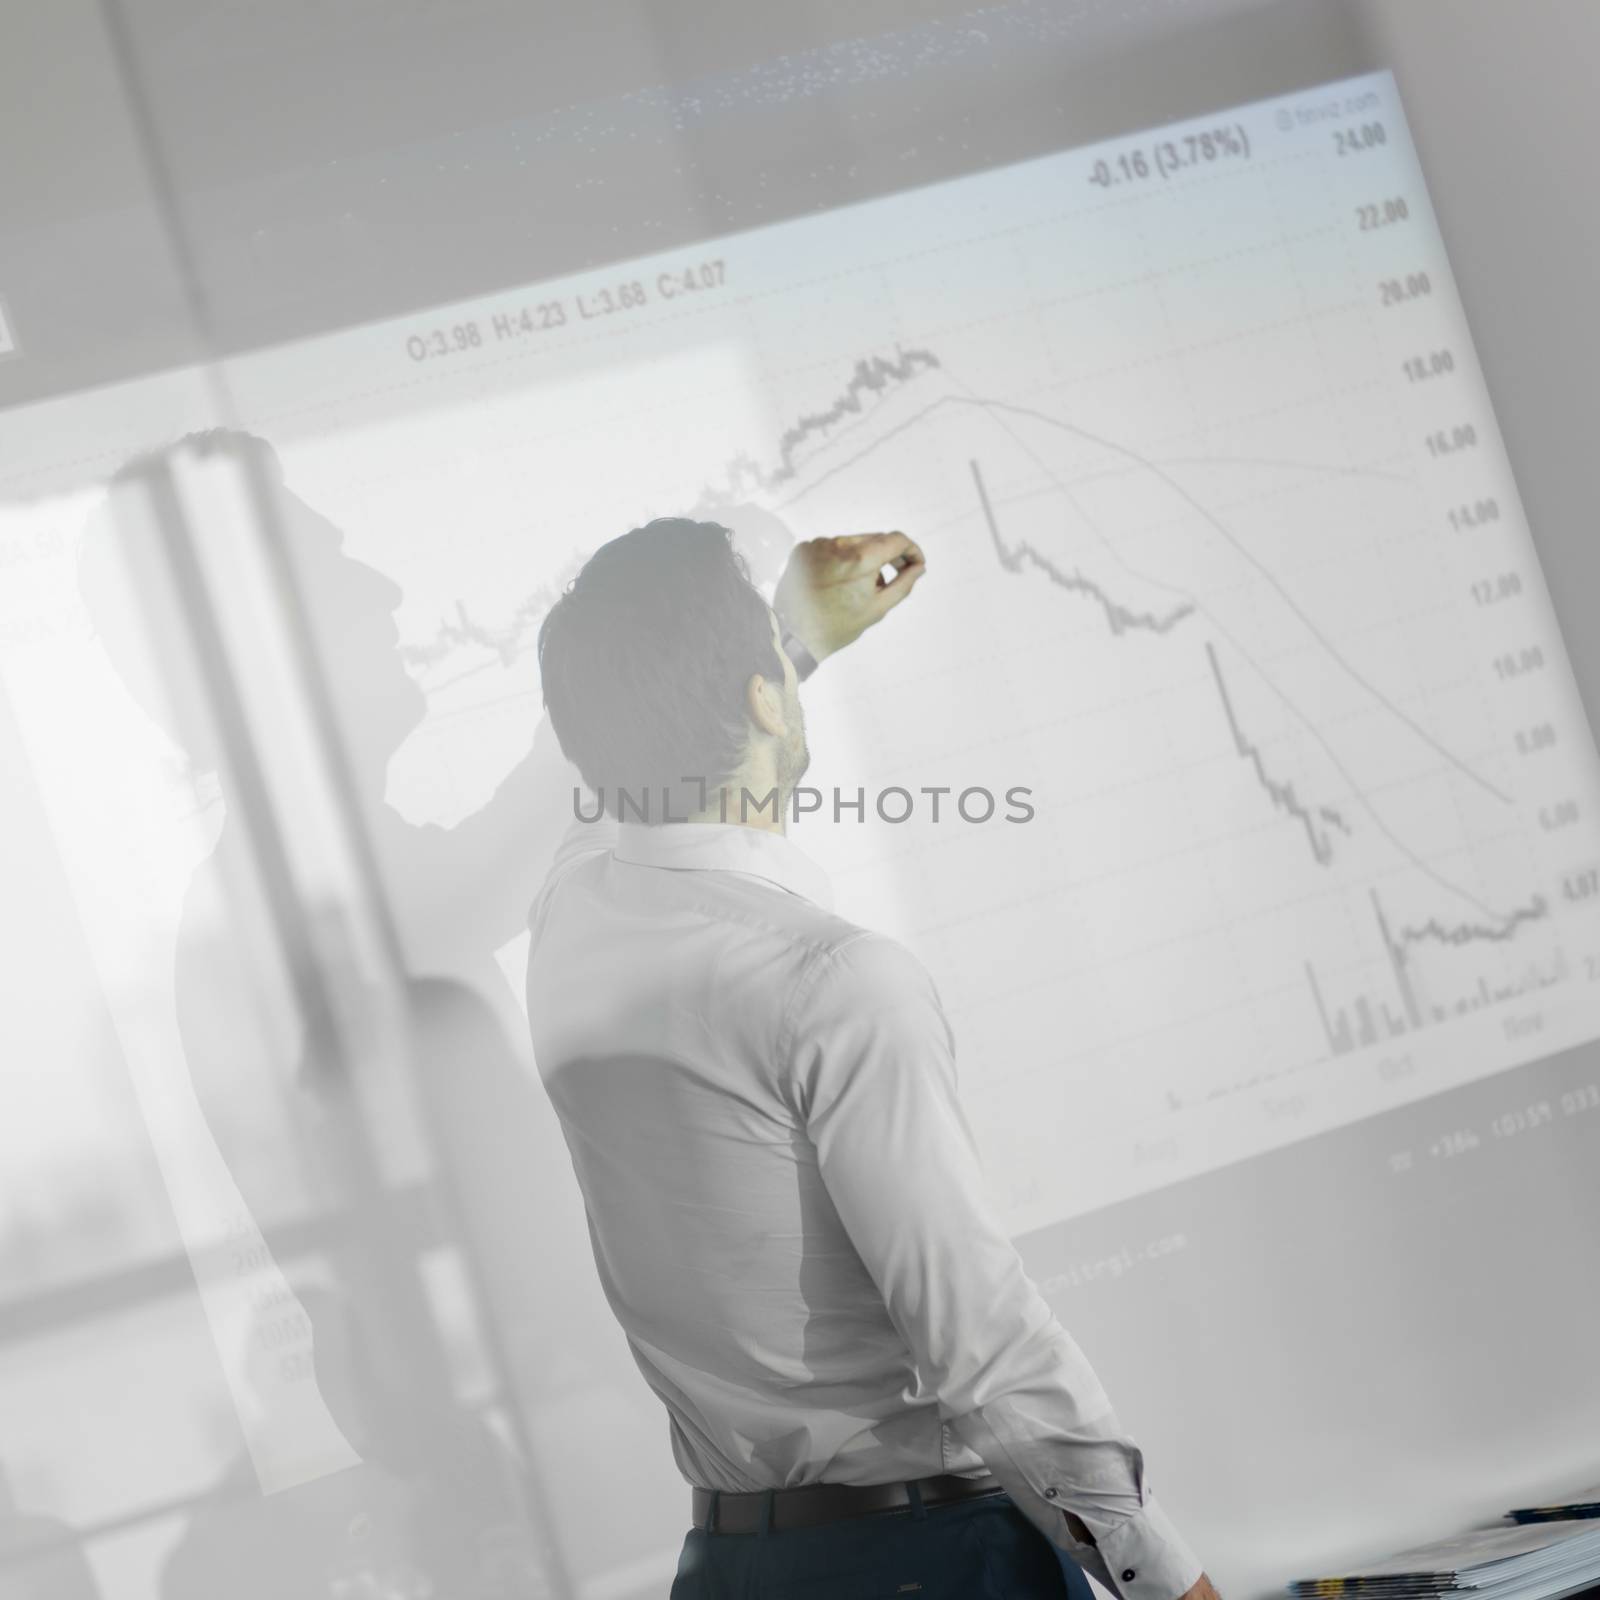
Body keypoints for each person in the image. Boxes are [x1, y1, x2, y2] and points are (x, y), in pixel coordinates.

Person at [526, 518, 1222, 1599]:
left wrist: (782, 641)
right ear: (763, 702)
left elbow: (632, 771)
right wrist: (1167, 1580)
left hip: (727, 1570)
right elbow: (982, 1343)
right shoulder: (834, 981)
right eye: (769, 662)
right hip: (931, 1567)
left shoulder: (571, 919)